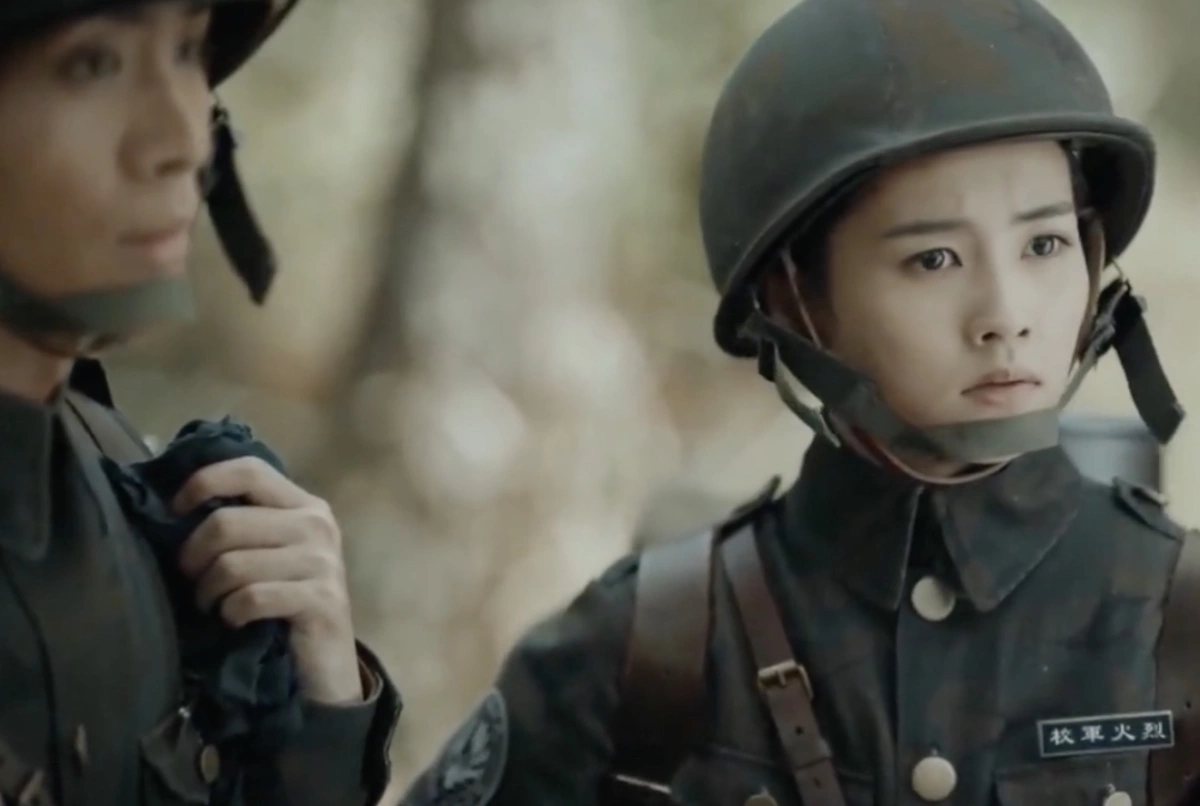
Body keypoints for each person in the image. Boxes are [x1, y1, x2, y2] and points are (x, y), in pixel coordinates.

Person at [397, 0, 1200, 804]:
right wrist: (338, 709)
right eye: (934, 259)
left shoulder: (1180, 624)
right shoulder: (654, 645)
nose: (1006, 314)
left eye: (1045, 244)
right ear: (794, 298)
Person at [0, 1, 400, 805]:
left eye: (187, 50)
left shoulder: (131, 490)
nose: (181, 138)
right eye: (93, 63)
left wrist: (318, 714)